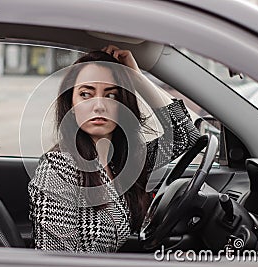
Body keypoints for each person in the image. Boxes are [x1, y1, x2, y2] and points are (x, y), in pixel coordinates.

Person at [28, 45, 200, 252]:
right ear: (71, 106)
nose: (99, 105)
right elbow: (53, 260)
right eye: (85, 94)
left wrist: (136, 77)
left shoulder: (125, 161)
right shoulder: (58, 168)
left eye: (111, 96)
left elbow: (185, 135)